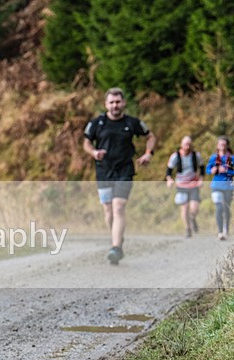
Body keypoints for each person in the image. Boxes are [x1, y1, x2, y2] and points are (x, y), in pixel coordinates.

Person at [83, 87, 157, 265]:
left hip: (124, 170)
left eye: (118, 102)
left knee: (118, 207)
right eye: (111, 102)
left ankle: (116, 247)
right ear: (106, 104)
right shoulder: (97, 123)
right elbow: (86, 142)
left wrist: (148, 153)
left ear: (123, 103)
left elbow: (151, 136)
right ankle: (117, 239)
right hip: (104, 171)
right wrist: (93, 152)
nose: (115, 105)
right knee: (108, 211)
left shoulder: (132, 122)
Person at [165, 135, 204, 238]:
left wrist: (201, 179)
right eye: (186, 144)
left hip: (193, 184)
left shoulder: (196, 155)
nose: (188, 146)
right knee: (184, 207)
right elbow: (169, 170)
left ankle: (192, 218)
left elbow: (202, 168)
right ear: (181, 145)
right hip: (181, 185)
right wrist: (169, 179)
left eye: (189, 144)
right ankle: (187, 229)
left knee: (194, 208)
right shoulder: (175, 156)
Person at [207, 135, 234, 240]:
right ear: (217, 146)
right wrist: (212, 170)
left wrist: (227, 170)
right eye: (220, 144)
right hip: (216, 185)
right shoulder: (214, 158)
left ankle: (226, 230)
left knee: (226, 208)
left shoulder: (231, 158)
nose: (222, 146)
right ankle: (219, 231)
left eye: (224, 144)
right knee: (219, 208)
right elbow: (207, 169)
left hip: (228, 186)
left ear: (227, 146)